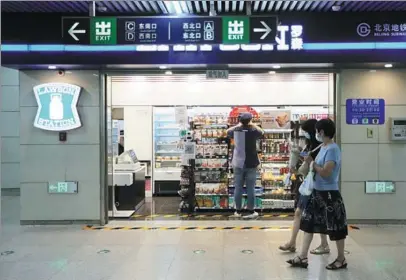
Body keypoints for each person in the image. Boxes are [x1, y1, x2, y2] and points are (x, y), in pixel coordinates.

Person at [287, 119, 348, 270]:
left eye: (316, 131)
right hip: (317, 192)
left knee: (336, 227)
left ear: (321, 132)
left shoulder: (333, 149)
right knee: (308, 224)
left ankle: (341, 258)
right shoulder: (323, 146)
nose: (315, 134)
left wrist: (312, 163)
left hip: (329, 194)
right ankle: (302, 256)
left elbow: (327, 172)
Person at [279, 119, 329, 254]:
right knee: (299, 213)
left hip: (314, 187)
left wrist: (298, 167)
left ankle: (320, 245)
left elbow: (309, 169)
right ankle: (293, 243)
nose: (303, 134)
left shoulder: (321, 148)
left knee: (313, 216)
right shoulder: (311, 146)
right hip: (307, 185)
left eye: (305, 132)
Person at [227, 112, 264, 219]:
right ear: (250, 120)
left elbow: (227, 131)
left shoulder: (235, 130)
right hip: (251, 163)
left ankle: (238, 211)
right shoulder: (253, 131)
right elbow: (262, 132)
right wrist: (252, 124)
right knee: (250, 188)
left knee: (238, 187)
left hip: (238, 163)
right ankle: (251, 210)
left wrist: (239, 125)